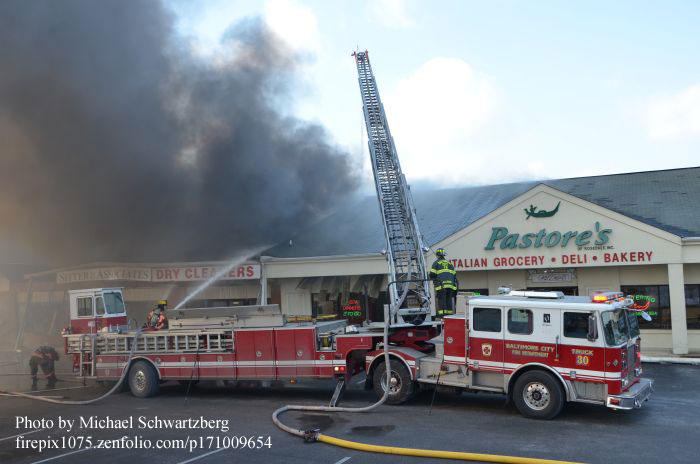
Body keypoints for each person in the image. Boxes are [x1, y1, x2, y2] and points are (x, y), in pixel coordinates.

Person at [429, 248, 459, 318]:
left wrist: (430, 276)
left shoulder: (436, 263)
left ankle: (442, 315)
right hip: (450, 285)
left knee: (441, 299)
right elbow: (454, 274)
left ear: (437, 255)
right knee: (448, 299)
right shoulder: (449, 263)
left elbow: (432, 274)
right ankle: (449, 314)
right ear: (444, 255)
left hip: (441, 285)